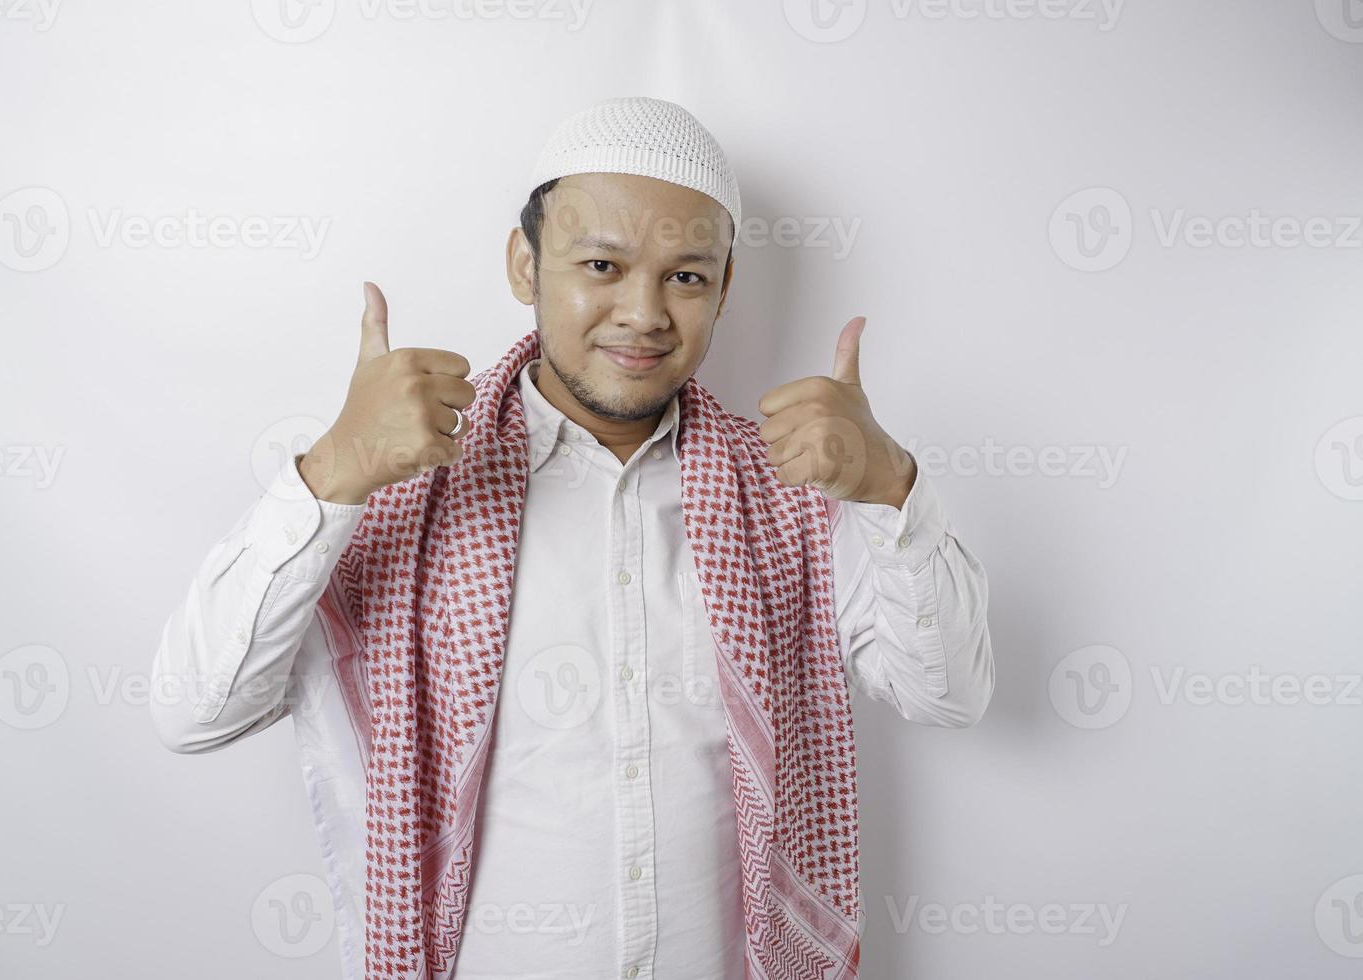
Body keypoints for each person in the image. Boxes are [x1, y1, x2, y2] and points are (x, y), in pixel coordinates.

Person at [149, 95, 994, 980]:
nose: (644, 314)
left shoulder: (790, 488)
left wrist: (889, 488)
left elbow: (952, 695)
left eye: (686, 276)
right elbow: (194, 712)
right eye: (602, 263)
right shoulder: (401, 478)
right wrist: (331, 474)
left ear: (725, 289)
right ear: (526, 263)